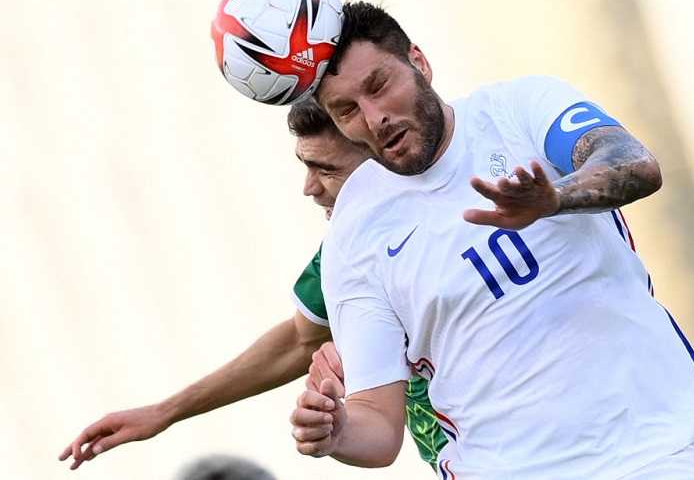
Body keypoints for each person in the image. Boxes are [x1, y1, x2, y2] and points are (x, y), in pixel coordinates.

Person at [289, 2, 694, 478]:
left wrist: (555, 199)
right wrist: (337, 432)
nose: (375, 118)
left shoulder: (519, 109)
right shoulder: (353, 235)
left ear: (418, 62)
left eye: (379, 86)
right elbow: (378, 423)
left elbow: (634, 164)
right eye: (348, 110)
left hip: (646, 453)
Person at [57, 105, 446, 471]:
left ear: (383, 161)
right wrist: (163, 412)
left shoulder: (460, 214)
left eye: (327, 170)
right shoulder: (346, 253)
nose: (309, 188)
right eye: (306, 166)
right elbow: (301, 340)